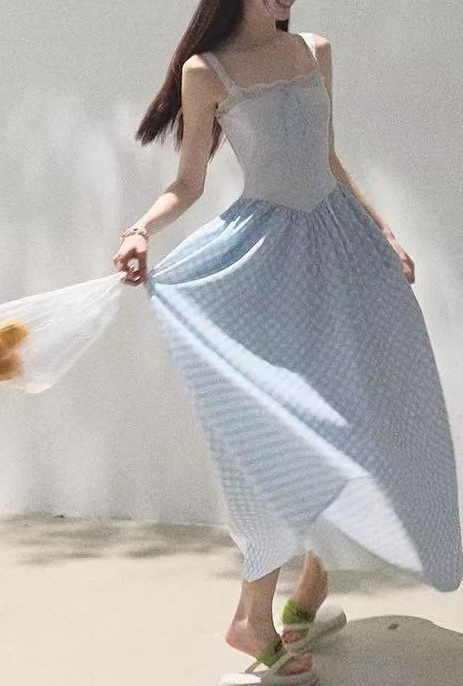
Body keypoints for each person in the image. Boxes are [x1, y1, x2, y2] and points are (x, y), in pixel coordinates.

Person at [112, 1, 463, 683]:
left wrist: (383, 231)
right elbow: (188, 183)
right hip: (268, 264)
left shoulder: (314, 49)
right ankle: (251, 617)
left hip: (341, 247)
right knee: (280, 438)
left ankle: (307, 596)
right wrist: (139, 231)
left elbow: (326, 158)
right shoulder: (205, 71)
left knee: (366, 423)